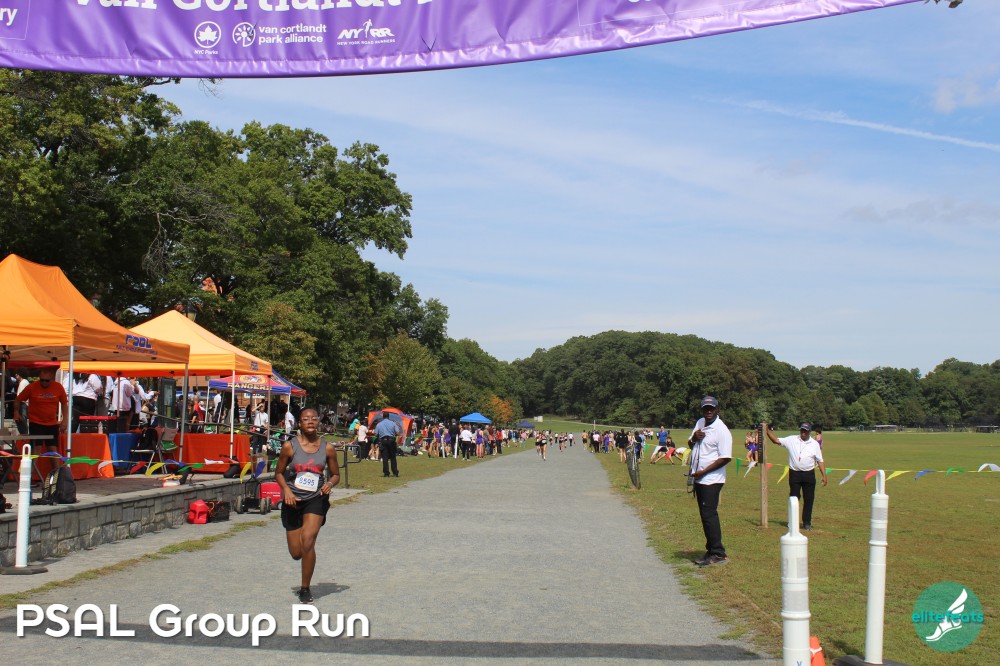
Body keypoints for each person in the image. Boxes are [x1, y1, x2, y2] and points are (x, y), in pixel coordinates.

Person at [274, 407, 340, 604]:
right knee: (297, 553)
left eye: (314, 418)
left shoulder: (327, 448)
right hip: (292, 499)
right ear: (299, 423)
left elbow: (336, 474)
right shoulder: (289, 446)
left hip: (316, 498)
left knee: (308, 541)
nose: (310, 421)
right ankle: (305, 561)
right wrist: (286, 490)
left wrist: (329, 484)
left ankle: (305, 588)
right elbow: (278, 473)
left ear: (319, 422)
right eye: (305, 419)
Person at [686, 396, 732, 566]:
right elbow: (691, 444)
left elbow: (725, 458)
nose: (709, 411)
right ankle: (711, 550)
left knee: (709, 515)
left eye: (711, 408)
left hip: (712, 479)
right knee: (705, 515)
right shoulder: (700, 422)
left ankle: (718, 553)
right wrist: (694, 438)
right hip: (699, 478)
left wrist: (704, 472)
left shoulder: (722, 430)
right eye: (706, 408)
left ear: (717, 409)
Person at [764, 422, 828, 531]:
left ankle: (807, 523)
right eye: (802, 430)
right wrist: (767, 431)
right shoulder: (792, 439)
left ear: (809, 431)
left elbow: (820, 460)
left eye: (806, 430)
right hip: (795, 474)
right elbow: (776, 440)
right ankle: (792, 522)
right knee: (793, 499)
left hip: (809, 474)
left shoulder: (814, 444)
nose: (803, 432)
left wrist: (824, 475)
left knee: (809, 499)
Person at [13, 367, 69, 472]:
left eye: (47, 381)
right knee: (36, 450)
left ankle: (56, 474)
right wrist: (16, 412)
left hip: (52, 423)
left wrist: (65, 420)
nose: (44, 383)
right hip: (36, 423)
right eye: (42, 380)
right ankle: (29, 475)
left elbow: (64, 404)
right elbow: (18, 399)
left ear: (52, 379)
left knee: (52, 449)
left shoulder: (58, 387)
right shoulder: (32, 387)